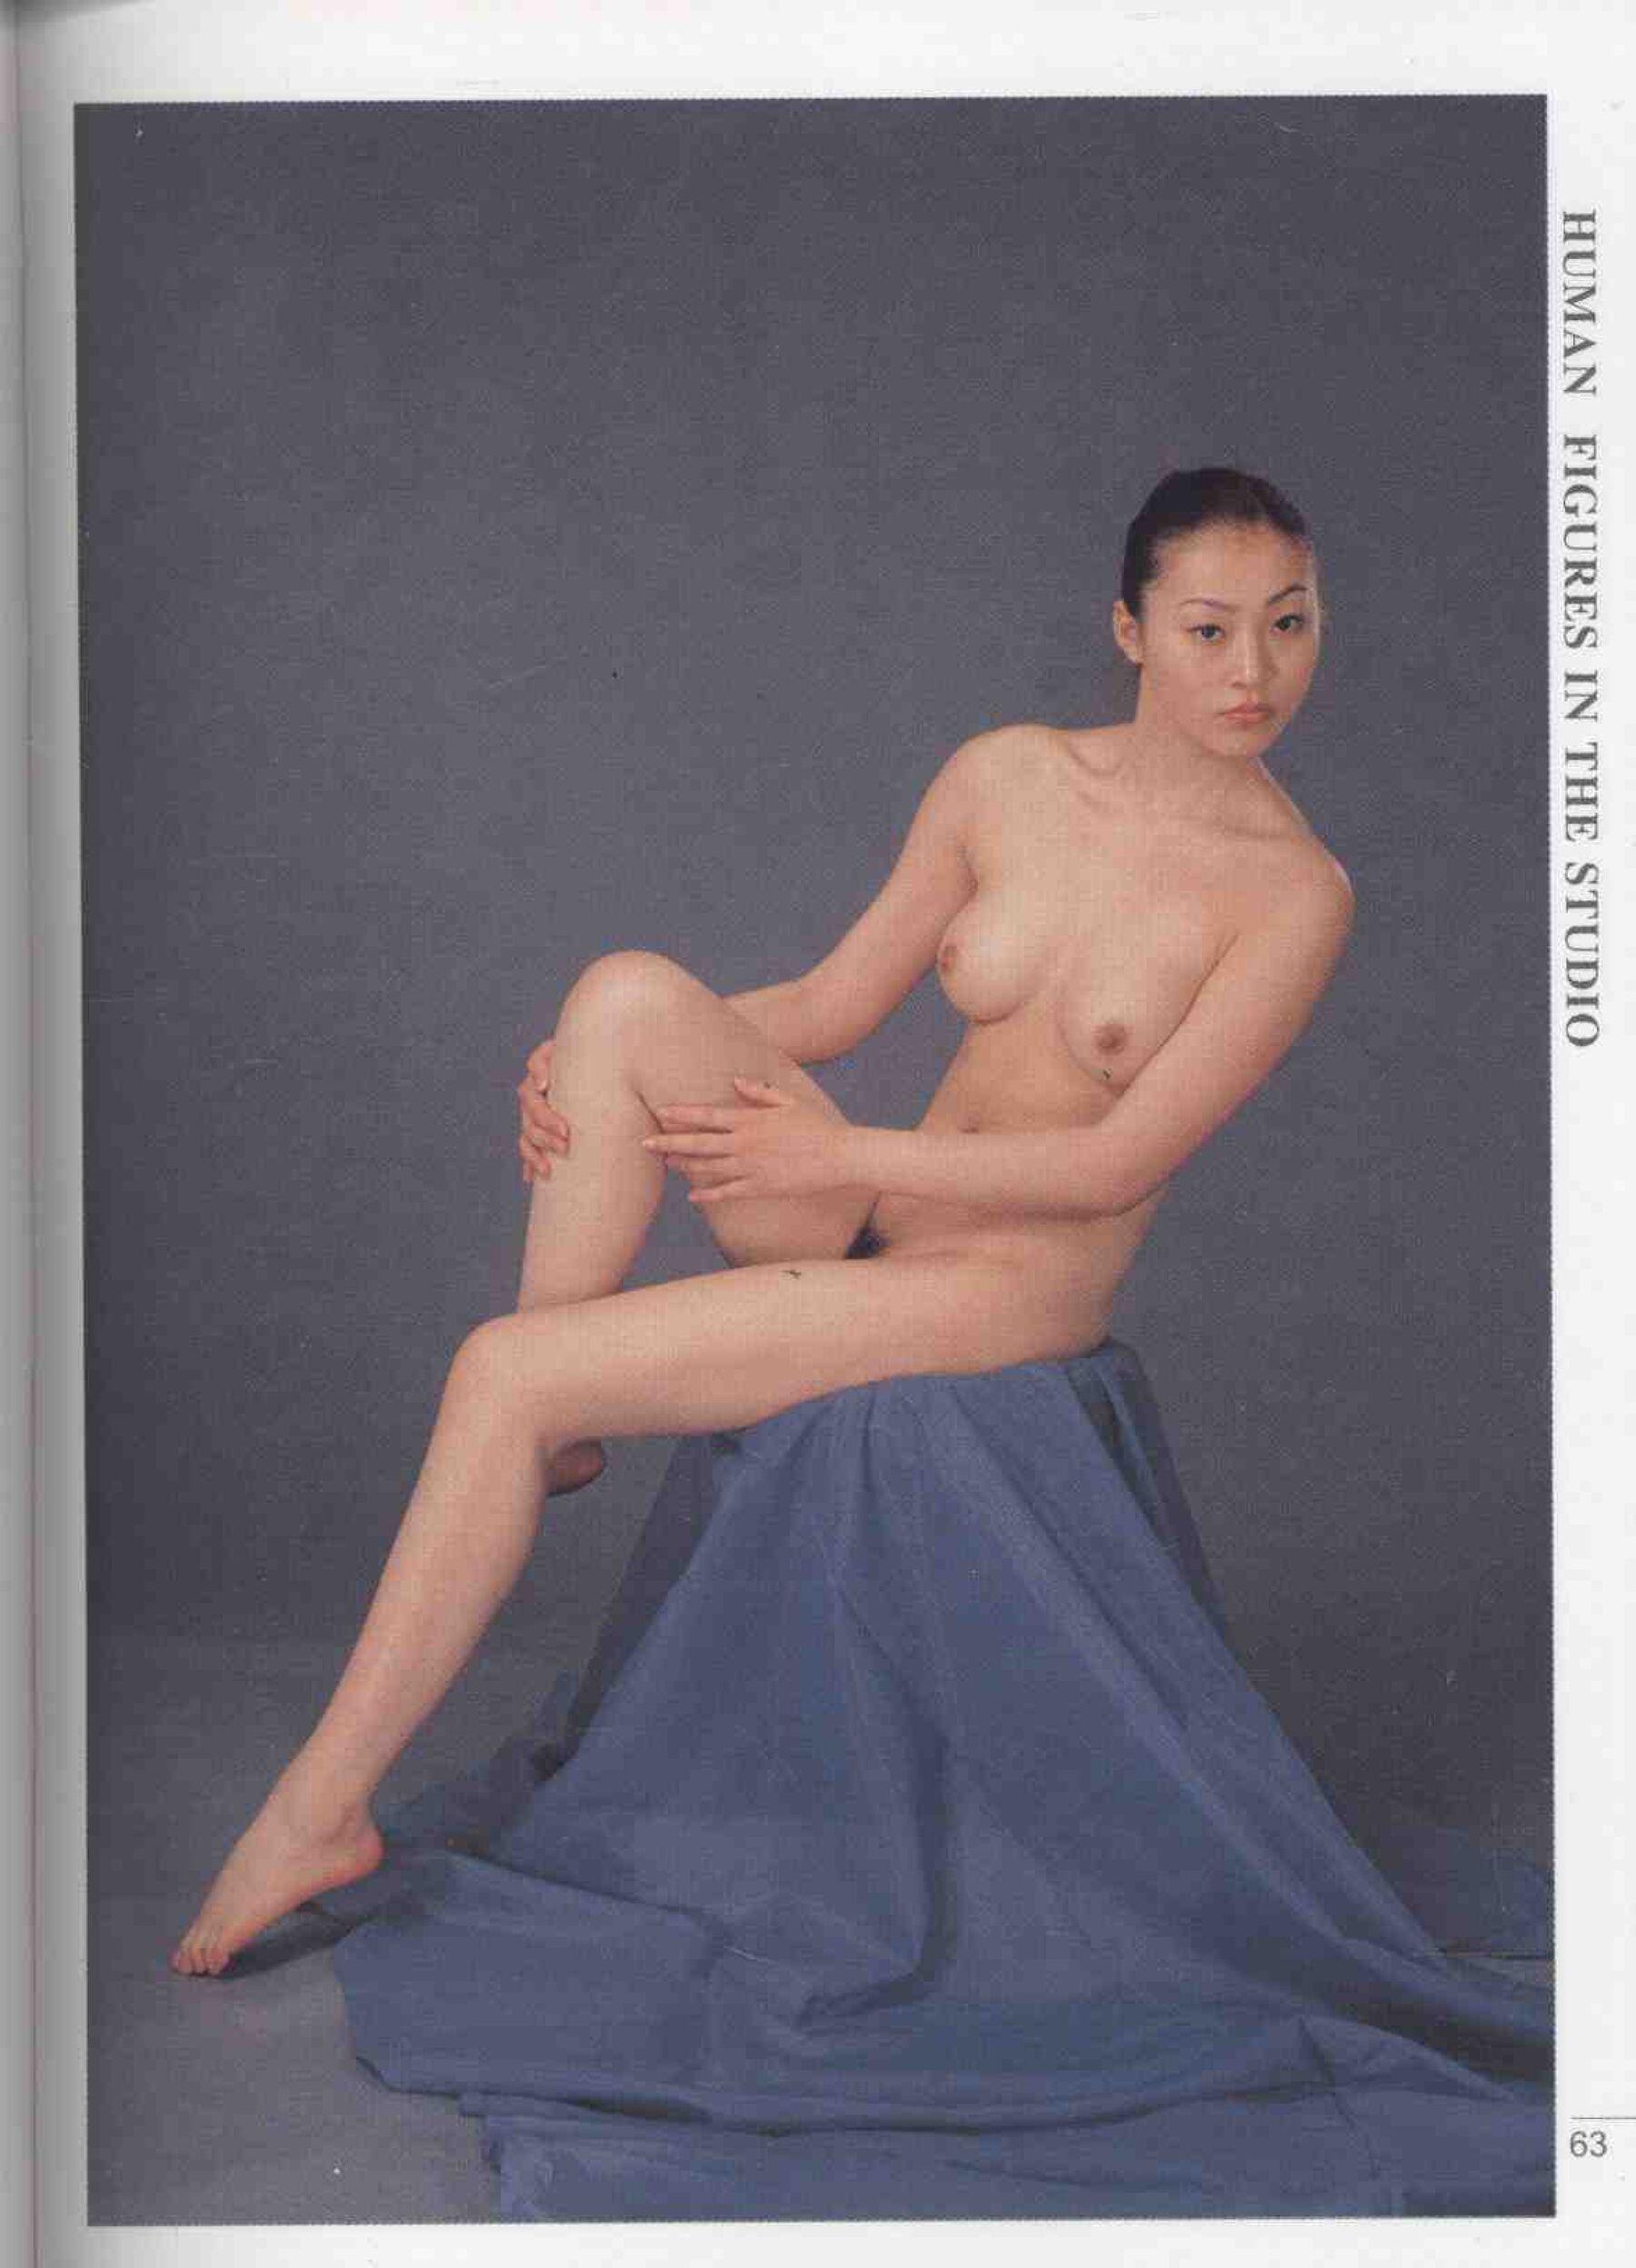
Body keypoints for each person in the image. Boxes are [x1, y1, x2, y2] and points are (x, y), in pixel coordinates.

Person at [172, 465, 1352, 1978]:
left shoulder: (1292, 893)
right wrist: (581, 1065)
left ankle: (319, 1808)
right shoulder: (1005, 777)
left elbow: (1118, 1162)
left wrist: (840, 1147)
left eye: (1288, 624)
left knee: (498, 1374)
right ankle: (560, 1411)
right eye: (1209, 628)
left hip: (1007, 1282)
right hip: (880, 1203)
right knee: (618, 993)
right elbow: (832, 1001)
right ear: (1129, 629)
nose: (1253, 670)